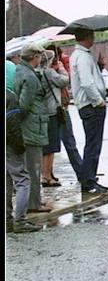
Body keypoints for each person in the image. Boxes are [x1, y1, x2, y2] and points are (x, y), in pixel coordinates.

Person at [69, 29, 108, 194]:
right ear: (87, 37)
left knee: (92, 144)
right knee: (93, 145)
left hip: (86, 105)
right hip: (91, 106)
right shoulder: (83, 57)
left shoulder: (78, 56)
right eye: (92, 35)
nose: (94, 37)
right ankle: (89, 182)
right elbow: (87, 83)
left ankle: (90, 178)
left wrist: (98, 67)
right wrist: (98, 101)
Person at [13, 42, 52, 213]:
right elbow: (24, 105)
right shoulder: (29, 76)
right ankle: (33, 204)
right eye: (39, 56)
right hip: (32, 127)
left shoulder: (21, 71)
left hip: (30, 125)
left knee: (30, 167)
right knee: (33, 168)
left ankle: (35, 200)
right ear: (34, 57)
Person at [40, 49, 83, 187]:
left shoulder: (39, 73)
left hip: (46, 112)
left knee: (48, 146)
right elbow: (64, 80)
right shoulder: (50, 72)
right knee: (56, 145)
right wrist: (62, 68)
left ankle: (47, 174)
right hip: (56, 111)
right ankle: (47, 176)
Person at [6, 81, 41, 233]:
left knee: (7, 181)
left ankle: (7, 219)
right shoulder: (10, 97)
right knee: (22, 180)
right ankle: (20, 220)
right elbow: (12, 124)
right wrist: (20, 147)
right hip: (10, 144)